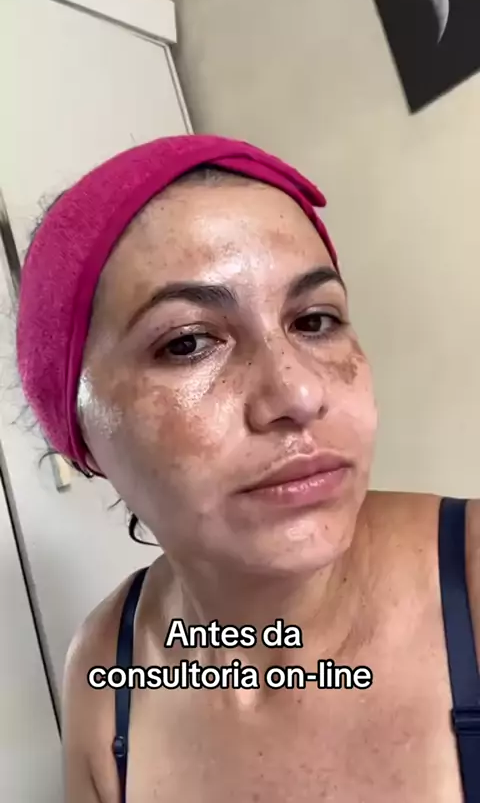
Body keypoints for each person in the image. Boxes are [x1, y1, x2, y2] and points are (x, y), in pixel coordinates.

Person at [16, 135, 480, 803]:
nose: (298, 393)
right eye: (188, 342)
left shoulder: (470, 582)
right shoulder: (105, 668)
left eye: (314, 321)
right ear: (76, 429)